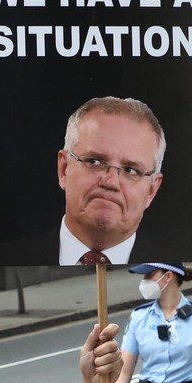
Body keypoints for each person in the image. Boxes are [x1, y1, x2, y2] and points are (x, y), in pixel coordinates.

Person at [53, 96, 166, 265]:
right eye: (94, 162)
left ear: (152, 190)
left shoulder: (170, 264)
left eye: (130, 170)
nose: (111, 182)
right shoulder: (4, 255)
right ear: (64, 169)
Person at [110, 263, 192, 383]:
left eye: (149, 275)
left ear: (168, 276)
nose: (144, 280)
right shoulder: (139, 317)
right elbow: (124, 371)